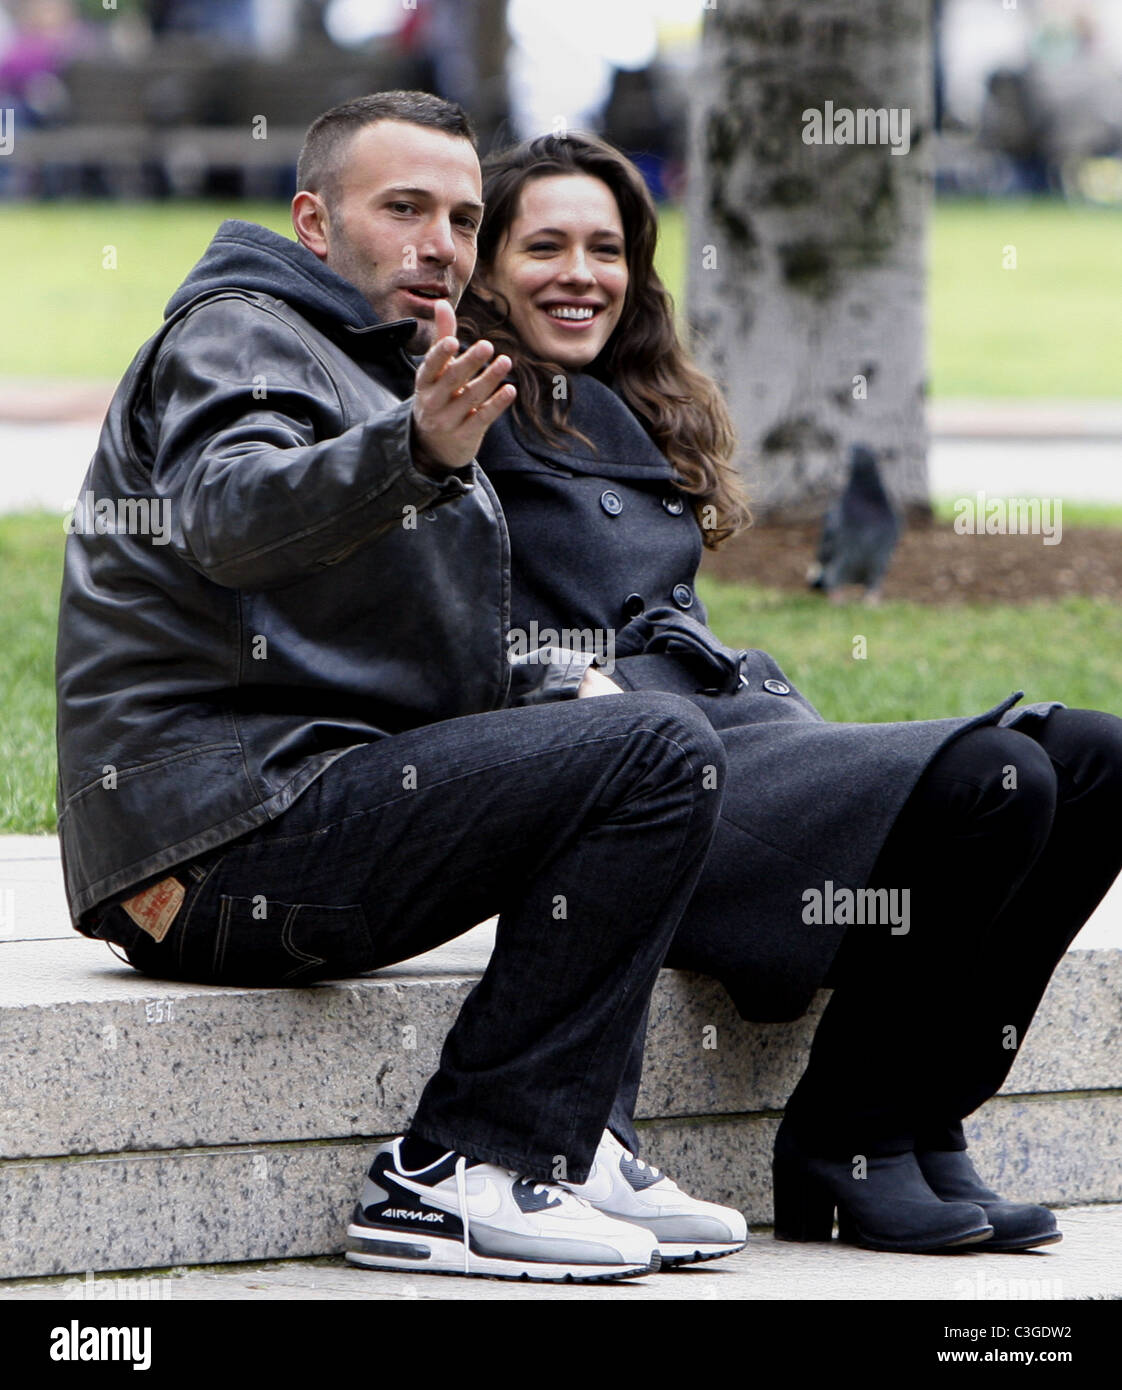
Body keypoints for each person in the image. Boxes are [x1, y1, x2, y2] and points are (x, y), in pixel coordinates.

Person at [54, 92, 747, 1282]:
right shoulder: (242, 335)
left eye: (465, 218)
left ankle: (573, 1140)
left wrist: (553, 684)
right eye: (405, 209)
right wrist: (414, 450)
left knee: (627, 729)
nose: (441, 244)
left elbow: (382, 638)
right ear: (314, 221)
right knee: (654, 750)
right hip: (205, 850)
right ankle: (461, 1167)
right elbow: (231, 514)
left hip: (287, 802)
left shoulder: (378, 358)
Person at [458, 130, 1122, 1255]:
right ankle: (845, 1138)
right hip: (636, 767)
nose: (582, 273)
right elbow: (433, 618)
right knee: (992, 776)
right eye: (547, 246)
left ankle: (924, 1115)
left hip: (734, 723)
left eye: (607, 249)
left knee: (1101, 753)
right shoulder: (462, 403)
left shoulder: (628, 398)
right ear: (484, 268)